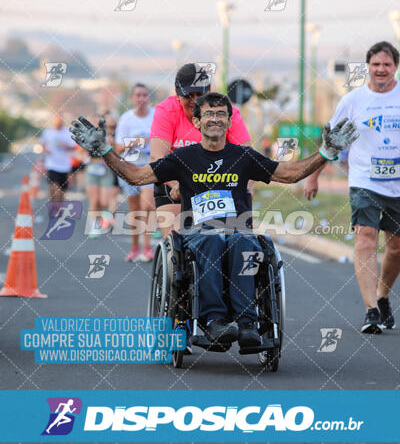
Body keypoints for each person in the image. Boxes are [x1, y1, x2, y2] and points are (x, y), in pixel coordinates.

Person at [70, 92, 357, 347]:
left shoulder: (244, 156)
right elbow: (135, 175)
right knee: (211, 239)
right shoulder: (182, 158)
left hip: (237, 229)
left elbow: (289, 173)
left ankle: (247, 324)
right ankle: (214, 320)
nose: (215, 119)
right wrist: (104, 151)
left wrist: (325, 153)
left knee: (243, 242)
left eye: (221, 114)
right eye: (209, 114)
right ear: (197, 122)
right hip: (197, 231)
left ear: (229, 121)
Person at [304, 41, 400, 334]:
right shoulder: (353, 101)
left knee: (396, 248)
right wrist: (313, 175)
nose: (381, 70)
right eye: (375, 65)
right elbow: (331, 140)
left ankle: (383, 296)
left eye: (387, 64)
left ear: (395, 67)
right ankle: (371, 310)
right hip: (364, 181)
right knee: (366, 239)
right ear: (368, 67)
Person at [150, 63, 251, 238]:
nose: (195, 100)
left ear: (210, 90)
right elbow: (157, 157)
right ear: (176, 93)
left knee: (232, 239)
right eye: (188, 95)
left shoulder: (227, 112)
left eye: (200, 94)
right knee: (177, 238)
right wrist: (178, 185)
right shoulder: (167, 111)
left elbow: (247, 157)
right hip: (176, 183)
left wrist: (244, 196)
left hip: (217, 183)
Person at [115, 84, 155, 261]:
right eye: (138, 95)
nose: (142, 98)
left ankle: (147, 247)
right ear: (132, 97)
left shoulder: (156, 116)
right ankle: (134, 247)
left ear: (149, 97)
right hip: (130, 166)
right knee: (135, 210)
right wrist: (136, 142)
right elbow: (117, 148)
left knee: (148, 206)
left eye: (145, 95)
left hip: (149, 165)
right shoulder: (126, 119)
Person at [83, 115, 117, 238]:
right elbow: (80, 153)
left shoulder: (110, 137)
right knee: (94, 200)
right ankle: (94, 226)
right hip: (92, 169)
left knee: (104, 201)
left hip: (106, 170)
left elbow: (115, 152)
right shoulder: (87, 136)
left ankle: (105, 217)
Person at [40, 114, 75, 202]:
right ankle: (53, 207)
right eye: (56, 121)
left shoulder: (68, 132)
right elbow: (43, 145)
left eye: (60, 121)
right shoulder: (48, 132)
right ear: (53, 122)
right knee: (54, 187)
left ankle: (58, 208)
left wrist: (65, 146)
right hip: (52, 164)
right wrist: (46, 150)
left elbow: (74, 147)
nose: (58, 123)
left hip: (64, 166)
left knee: (62, 191)